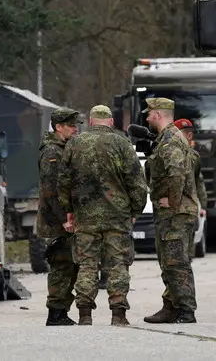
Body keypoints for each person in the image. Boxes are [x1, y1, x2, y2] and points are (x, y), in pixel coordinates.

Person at [59, 104, 148, 326]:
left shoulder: (74, 145)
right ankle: (118, 314)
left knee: (87, 264)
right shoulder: (122, 144)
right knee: (118, 264)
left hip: (86, 217)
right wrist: (135, 211)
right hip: (117, 216)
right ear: (110, 121)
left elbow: (64, 181)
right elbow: (137, 183)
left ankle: (85, 314)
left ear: (90, 121)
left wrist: (69, 210)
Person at [142, 98, 199, 324]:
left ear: (158, 115)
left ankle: (185, 311)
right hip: (169, 214)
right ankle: (171, 307)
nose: (147, 118)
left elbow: (177, 173)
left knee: (176, 263)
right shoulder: (165, 139)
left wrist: (173, 202)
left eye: (149, 114)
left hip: (176, 214)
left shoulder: (170, 141)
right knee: (169, 263)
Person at [36, 106, 81, 325]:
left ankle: (61, 310)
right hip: (57, 221)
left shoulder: (63, 148)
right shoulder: (52, 152)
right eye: (71, 126)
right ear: (58, 127)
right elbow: (51, 190)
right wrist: (64, 218)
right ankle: (55, 312)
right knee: (62, 265)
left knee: (69, 265)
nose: (75, 130)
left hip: (65, 219)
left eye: (76, 125)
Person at [175, 119, 208, 216]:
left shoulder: (193, 157)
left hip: (187, 211)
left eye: (177, 135)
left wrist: (203, 206)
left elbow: (199, 182)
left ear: (189, 136)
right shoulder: (167, 154)